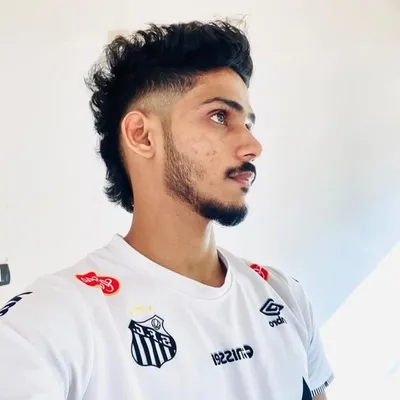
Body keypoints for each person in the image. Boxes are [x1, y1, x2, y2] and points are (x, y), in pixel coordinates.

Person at [0, 20, 334, 399]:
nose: (252, 146)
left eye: (247, 123)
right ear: (142, 135)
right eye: (220, 116)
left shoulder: (283, 295)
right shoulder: (46, 324)